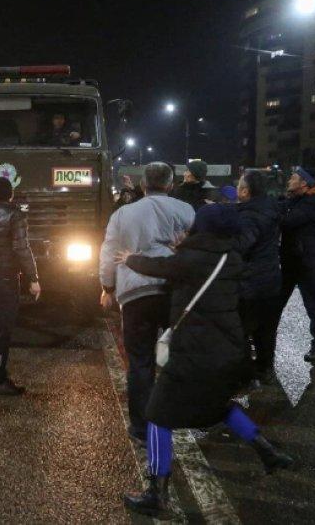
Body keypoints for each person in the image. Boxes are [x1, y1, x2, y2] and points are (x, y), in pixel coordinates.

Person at [119, 204, 293, 519]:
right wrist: (183, 249)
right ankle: (268, 453)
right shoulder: (231, 257)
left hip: (193, 355)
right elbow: (189, 264)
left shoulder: (192, 258)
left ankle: (156, 493)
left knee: (157, 416)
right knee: (219, 407)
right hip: (226, 352)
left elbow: (159, 267)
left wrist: (128, 258)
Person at [99, 162, 195, 446]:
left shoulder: (123, 214)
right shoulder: (185, 211)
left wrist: (107, 287)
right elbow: (197, 247)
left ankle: (141, 427)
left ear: (143, 185)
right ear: (170, 184)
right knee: (173, 356)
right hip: (174, 291)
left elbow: (108, 253)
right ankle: (173, 415)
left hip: (135, 294)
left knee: (140, 361)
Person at [0, 177, 41, 395]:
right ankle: (0, 380)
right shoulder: (15, 215)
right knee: (3, 329)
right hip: (6, 277)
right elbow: (22, 248)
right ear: (10, 194)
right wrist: (33, 278)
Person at [235, 171, 282, 381]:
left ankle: (246, 373)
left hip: (250, 282)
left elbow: (242, 245)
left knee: (242, 329)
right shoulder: (270, 208)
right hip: (270, 278)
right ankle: (265, 368)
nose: (237, 188)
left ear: (246, 191)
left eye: (239, 185)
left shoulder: (249, 215)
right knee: (266, 329)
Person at [278, 167, 315, 363]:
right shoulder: (295, 200)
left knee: (312, 304)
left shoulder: (313, 203)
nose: (289, 180)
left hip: (306, 262)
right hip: (291, 260)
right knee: (276, 302)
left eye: (293, 178)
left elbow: (289, 221)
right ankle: (264, 338)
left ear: (303, 184)